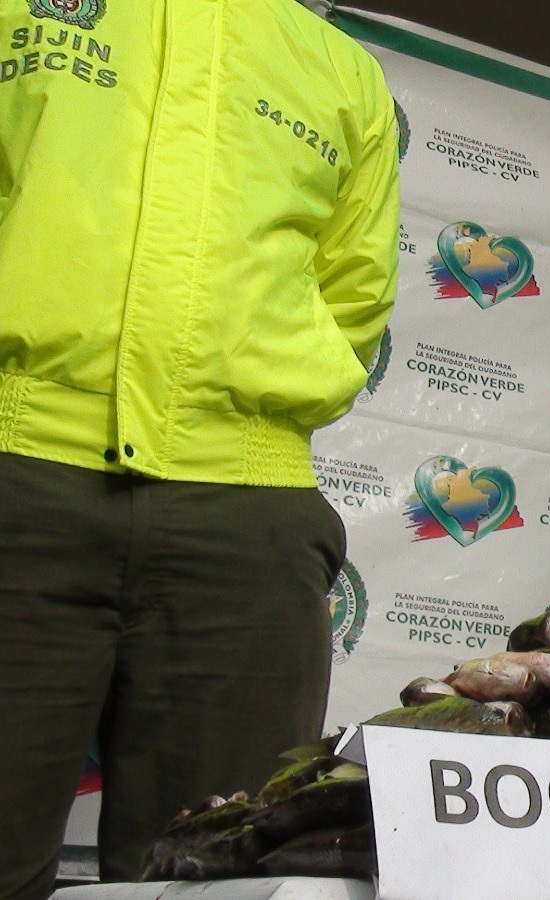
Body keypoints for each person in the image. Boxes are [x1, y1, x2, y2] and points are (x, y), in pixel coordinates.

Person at [0, 0, 400, 893]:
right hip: (17, 466)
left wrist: (246, 421)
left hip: (246, 515)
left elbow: (354, 287)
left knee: (216, 877)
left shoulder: (339, 69)